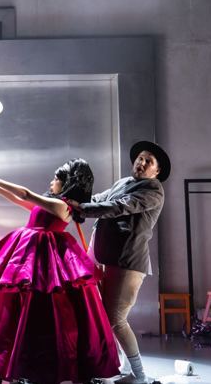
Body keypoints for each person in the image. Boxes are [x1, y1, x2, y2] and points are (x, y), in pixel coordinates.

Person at [0, 159, 120, 383]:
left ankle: (34, 364)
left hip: (44, 258)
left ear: (68, 184)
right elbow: (19, 198)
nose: (52, 182)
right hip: (28, 253)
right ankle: (3, 361)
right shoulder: (51, 203)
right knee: (15, 306)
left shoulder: (62, 206)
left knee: (42, 307)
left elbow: (27, 194)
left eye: (57, 179)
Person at [74, 140, 170, 384]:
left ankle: (139, 376)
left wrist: (83, 209)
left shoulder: (153, 191)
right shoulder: (123, 182)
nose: (142, 162)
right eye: (140, 158)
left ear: (156, 171)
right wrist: (72, 199)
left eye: (149, 161)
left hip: (127, 262)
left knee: (115, 318)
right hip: (105, 257)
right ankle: (119, 368)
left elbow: (119, 206)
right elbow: (101, 198)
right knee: (103, 317)